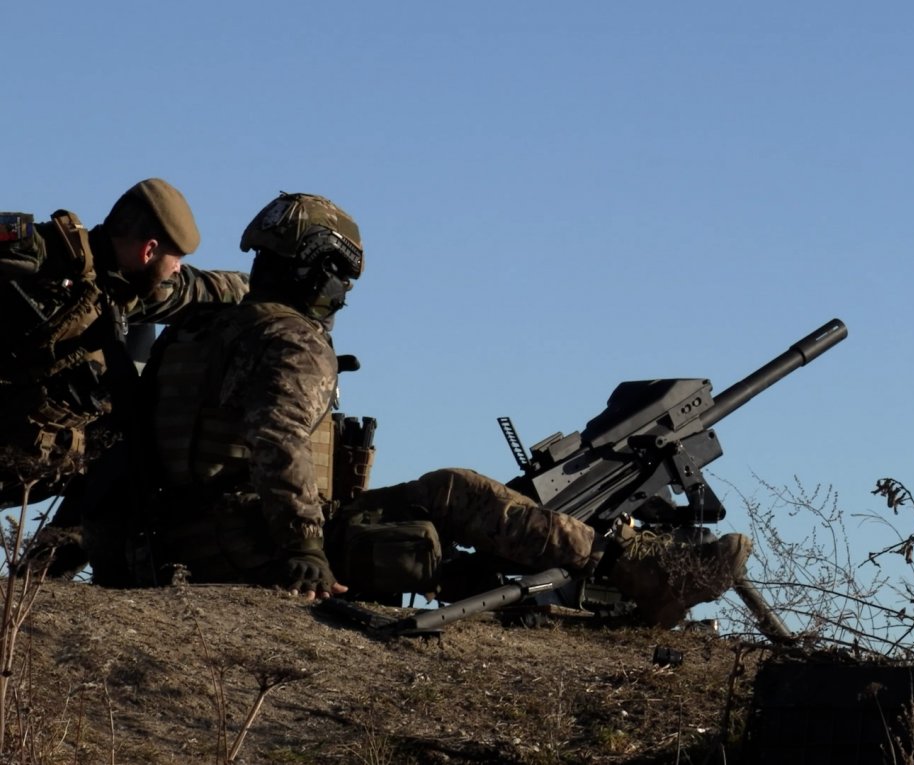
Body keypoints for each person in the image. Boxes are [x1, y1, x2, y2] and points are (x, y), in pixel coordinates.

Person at [123, 191, 748, 626]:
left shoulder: (201, 326)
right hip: (249, 545)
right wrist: (303, 550)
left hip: (178, 539)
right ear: (326, 274)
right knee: (455, 492)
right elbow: (279, 442)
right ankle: (642, 571)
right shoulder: (293, 341)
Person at [0, 179, 249, 508]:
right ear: (149, 250)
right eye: (176, 259)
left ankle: (51, 557)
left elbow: (209, 290)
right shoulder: (38, 250)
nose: (177, 269)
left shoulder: (126, 293)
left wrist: (281, 294)